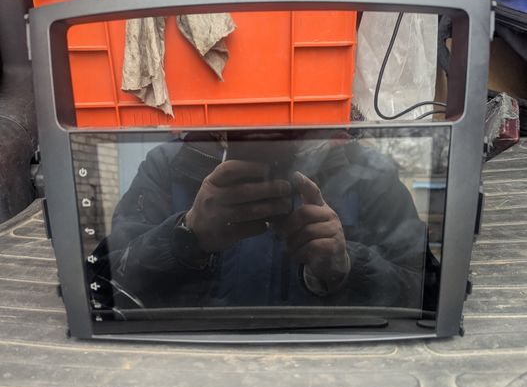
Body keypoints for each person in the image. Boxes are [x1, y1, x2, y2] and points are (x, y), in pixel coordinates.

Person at [88, 130, 433, 312]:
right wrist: (187, 236)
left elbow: (427, 293)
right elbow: (103, 289)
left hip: (324, 378)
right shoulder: (168, 165)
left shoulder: (371, 174)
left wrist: (346, 267)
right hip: (194, 374)